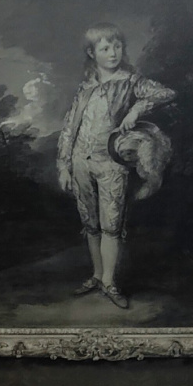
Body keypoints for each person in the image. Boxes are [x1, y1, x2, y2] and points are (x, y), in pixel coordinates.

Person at [55, 23, 174, 308]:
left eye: (117, 46)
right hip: (80, 163)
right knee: (90, 223)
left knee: (111, 225)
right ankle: (97, 275)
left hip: (112, 162)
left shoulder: (131, 81)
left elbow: (166, 93)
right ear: (91, 53)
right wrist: (63, 166)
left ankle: (110, 282)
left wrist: (136, 109)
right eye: (105, 48)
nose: (113, 53)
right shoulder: (85, 87)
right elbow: (70, 128)